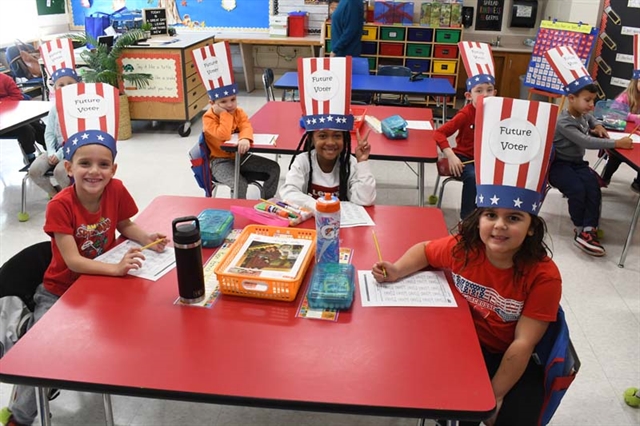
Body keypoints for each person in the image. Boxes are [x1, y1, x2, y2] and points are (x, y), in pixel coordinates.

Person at [373, 95, 562, 426]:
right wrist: (397, 269)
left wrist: (495, 394)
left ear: (532, 228)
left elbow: (522, 343)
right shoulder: (466, 247)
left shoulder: (543, 276)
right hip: (458, 340)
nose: (499, 226)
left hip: (502, 356)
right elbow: (425, 250)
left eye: (514, 218)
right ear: (480, 219)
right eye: (491, 215)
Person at [2, 83, 168, 426]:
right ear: (68, 167)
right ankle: (19, 415)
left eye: (103, 164)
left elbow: (125, 225)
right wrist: (119, 268)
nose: (95, 171)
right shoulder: (60, 206)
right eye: (85, 164)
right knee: (42, 351)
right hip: (61, 290)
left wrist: (146, 236)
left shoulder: (117, 189)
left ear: (114, 169)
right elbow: (74, 261)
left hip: (101, 282)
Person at [545, 46, 633, 257]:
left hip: (577, 164)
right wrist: (616, 143)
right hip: (559, 166)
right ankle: (580, 228)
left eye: (593, 100)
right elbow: (585, 141)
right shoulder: (563, 122)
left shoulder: (582, 114)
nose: (591, 105)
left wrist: (598, 125)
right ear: (571, 98)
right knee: (577, 190)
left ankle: (589, 228)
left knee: (593, 188)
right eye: (587, 100)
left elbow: (589, 120)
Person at [279, 56, 376, 211]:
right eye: (322, 136)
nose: (330, 142)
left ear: (344, 139)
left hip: (341, 225)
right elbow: (288, 193)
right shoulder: (303, 161)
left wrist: (362, 162)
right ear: (311, 139)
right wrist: (321, 205)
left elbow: (365, 200)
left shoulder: (350, 163)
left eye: (337, 135)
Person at [193, 41, 280, 199]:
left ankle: (267, 204)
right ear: (212, 104)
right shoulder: (208, 118)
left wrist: (245, 137)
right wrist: (224, 115)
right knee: (240, 183)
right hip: (219, 163)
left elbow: (246, 125)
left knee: (274, 168)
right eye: (224, 102)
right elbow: (223, 135)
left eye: (233, 99)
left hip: (240, 157)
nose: (230, 105)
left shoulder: (238, 111)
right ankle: (237, 211)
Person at [434, 42, 496, 220]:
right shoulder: (465, 114)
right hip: (464, 158)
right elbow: (438, 133)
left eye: (489, 90)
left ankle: (486, 215)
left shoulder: (499, 111)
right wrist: (450, 155)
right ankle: (467, 218)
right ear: (469, 96)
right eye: (479, 91)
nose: (485, 95)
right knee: (473, 177)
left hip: (487, 160)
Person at [29, 38, 82, 198]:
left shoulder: (81, 107)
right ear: (56, 88)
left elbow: (77, 136)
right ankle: (56, 196)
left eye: (70, 84)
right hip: (54, 150)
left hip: (73, 150)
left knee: (61, 171)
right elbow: (49, 132)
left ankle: (72, 199)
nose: (66, 88)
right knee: (34, 170)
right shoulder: (55, 109)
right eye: (61, 85)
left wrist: (59, 155)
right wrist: (51, 151)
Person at [601, 38, 640, 192]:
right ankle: (605, 178)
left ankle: (638, 181)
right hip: (622, 136)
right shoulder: (625, 97)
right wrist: (634, 118)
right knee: (616, 157)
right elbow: (613, 114)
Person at [0, 72, 45, 164]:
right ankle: (30, 157)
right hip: (3, 123)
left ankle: (51, 149)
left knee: (36, 124)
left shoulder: (5, 79)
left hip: (12, 114)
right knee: (26, 129)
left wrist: (2, 102)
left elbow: (17, 96)